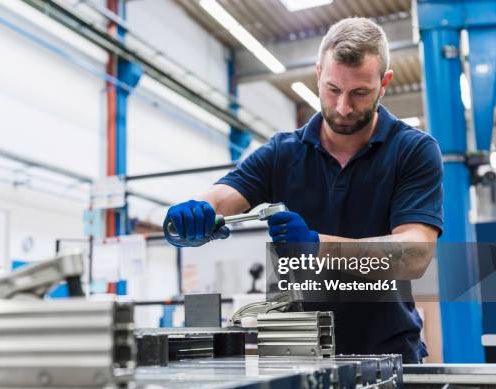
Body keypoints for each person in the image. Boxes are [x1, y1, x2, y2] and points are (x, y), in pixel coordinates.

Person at [163, 17, 442, 363]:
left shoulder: (412, 150)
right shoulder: (284, 152)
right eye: (332, 89)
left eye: (359, 93)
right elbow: (224, 196)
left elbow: (416, 253)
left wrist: (317, 245)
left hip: (387, 354)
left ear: (384, 83)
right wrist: (196, 212)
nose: (343, 107)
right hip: (296, 356)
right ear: (318, 72)